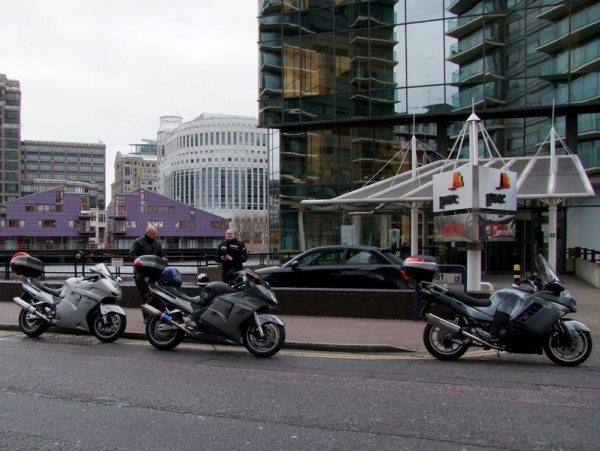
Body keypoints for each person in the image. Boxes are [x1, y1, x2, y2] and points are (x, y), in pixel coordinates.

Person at [129, 225, 164, 311]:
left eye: (156, 234)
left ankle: (154, 314)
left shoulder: (158, 243)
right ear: (147, 233)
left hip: (154, 273)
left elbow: (161, 255)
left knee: (156, 295)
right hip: (141, 273)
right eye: (153, 235)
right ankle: (146, 316)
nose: (155, 236)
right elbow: (131, 255)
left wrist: (163, 260)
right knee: (144, 295)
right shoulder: (137, 242)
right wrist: (141, 262)